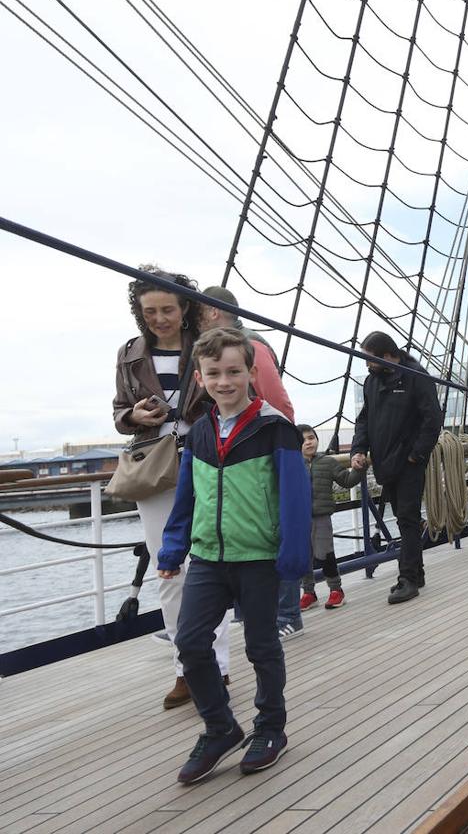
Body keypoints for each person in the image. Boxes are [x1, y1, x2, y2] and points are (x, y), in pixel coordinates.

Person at [158, 327, 310, 784]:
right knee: (189, 642)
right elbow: (186, 496)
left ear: (250, 373)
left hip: (259, 557)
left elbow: (295, 497)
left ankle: (271, 727)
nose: (225, 381)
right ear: (201, 379)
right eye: (214, 373)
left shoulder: (275, 430)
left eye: (234, 371)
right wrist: (173, 547)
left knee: (261, 646)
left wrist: (293, 554)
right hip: (208, 556)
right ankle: (220, 726)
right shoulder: (199, 434)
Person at [112, 267, 232, 710]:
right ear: (139, 313)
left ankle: (216, 664)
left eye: (167, 308)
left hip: (206, 460)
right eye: (150, 311)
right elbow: (119, 410)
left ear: (184, 308)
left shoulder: (206, 348)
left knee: (211, 565)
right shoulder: (129, 354)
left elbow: (235, 391)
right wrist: (133, 418)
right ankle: (186, 668)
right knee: (169, 568)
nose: (160, 318)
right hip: (157, 468)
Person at [351, 332, 444, 604]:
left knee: (407, 517)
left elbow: (432, 419)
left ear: (388, 355)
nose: (367, 365)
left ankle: (408, 579)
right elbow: (364, 420)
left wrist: (416, 455)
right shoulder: (372, 382)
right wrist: (358, 449)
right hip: (385, 462)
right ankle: (417, 571)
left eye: (370, 359)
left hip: (408, 461)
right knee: (405, 518)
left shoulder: (416, 376)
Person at [198, 285, 294, 422]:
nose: (197, 320)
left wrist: (286, 436)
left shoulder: (251, 345)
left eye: (199, 314)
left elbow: (277, 402)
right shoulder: (232, 345)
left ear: (213, 312)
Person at [297, 423, 364, 611]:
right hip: (299, 519)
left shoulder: (328, 462)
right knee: (303, 557)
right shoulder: (292, 465)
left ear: (317, 440)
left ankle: (336, 590)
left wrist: (359, 469)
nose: (308, 443)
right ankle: (308, 593)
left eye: (311, 438)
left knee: (325, 553)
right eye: (303, 440)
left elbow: (347, 480)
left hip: (321, 516)